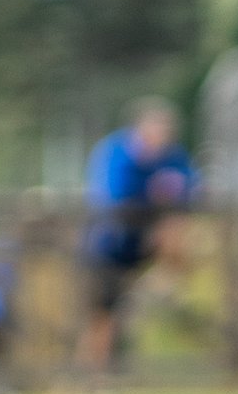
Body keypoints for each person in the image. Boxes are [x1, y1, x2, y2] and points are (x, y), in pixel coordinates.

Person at [78, 98, 196, 371]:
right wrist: (154, 191)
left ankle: (156, 289)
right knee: (102, 314)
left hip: (147, 242)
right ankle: (93, 372)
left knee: (178, 229)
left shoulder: (172, 156)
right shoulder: (115, 153)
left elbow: (190, 184)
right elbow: (113, 197)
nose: (162, 138)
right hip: (109, 244)